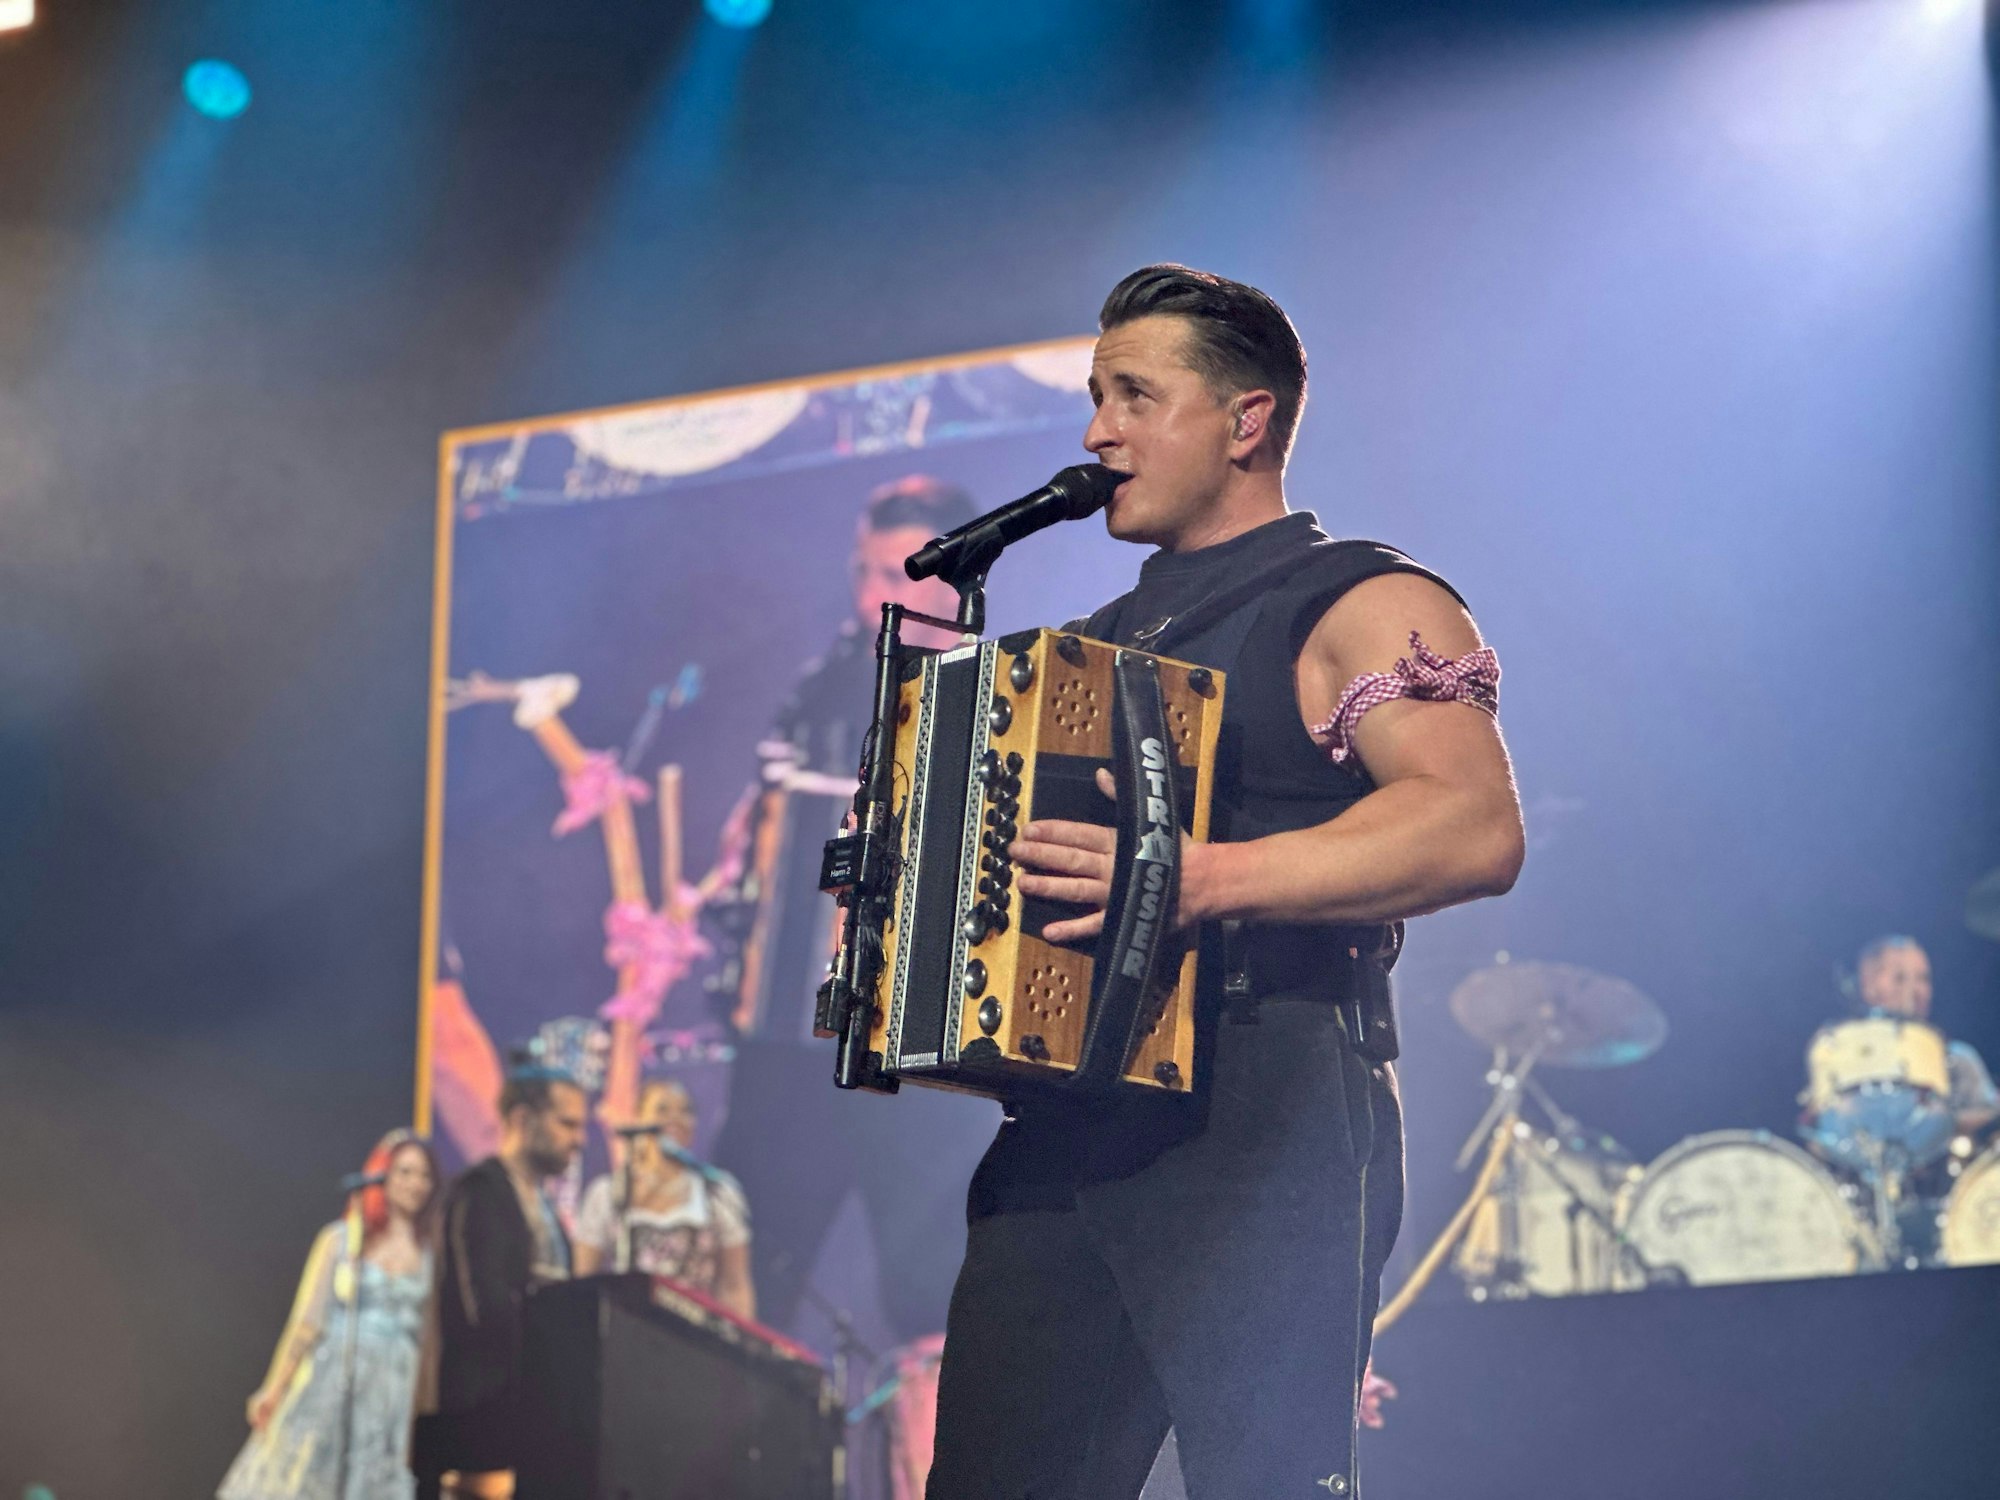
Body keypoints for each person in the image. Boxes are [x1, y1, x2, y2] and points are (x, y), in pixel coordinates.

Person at [923, 265, 1525, 1500]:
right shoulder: (1093, 646)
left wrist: (1192, 881)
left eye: (1135, 395)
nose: (1096, 431)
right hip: (1069, 1130)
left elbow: (1470, 827)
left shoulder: (1362, 596)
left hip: (1270, 1121)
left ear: (1246, 422)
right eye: (1094, 396)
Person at [707, 475, 1003, 1344]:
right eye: (870, 571)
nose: (884, 591)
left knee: (933, 1295)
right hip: (789, 1039)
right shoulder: (818, 688)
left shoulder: (990, 688)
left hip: (917, 1049)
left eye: (907, 571)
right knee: (744, 1279)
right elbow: (757, 848)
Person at [219, 1131, 440, 1500]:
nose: (415, 1184)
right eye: (405, 1172)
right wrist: (274, 1389)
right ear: (382, 1174)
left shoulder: (430, 1253)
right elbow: (306, 1323)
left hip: (390, 1390)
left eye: (424, 1175)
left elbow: (427, 1339)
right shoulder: (342, 1239)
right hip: (334, 1377)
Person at [412, 1068, 587, 1500]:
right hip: (480, 1418)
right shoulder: (481, 1191)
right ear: (524, 1119)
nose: (579, 1139)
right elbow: (484, 1310)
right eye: (567, 1123)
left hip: (531, 1416)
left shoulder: (546, 1208)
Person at [572, 1077, 756, 1319]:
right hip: (627, 1335)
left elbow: (734, 1285)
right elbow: (584, 1280)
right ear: (639, 1119)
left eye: (685, 1110)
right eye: (662, 1109)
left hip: (698, 1340)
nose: (675, 1118)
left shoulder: (717, 1191)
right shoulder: (608, 1193)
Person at [1847, 935, 1999, 1135]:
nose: (1916, 990)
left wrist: (1940, 1125)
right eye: (1900, 978)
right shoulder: (1843, 1057)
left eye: (1924, 978)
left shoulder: (1958, 1061)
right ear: (1868, 985)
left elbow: (1992, 1115)